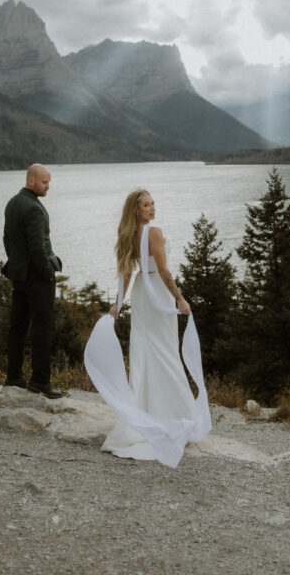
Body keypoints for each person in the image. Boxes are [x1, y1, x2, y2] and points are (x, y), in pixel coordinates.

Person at [86, 188, 210, 465]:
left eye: (153, 203)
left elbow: (127, 272)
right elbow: (164, 271)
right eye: (146, 205)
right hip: (156, 291)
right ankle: (175, 413)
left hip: (143, 293)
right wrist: (180, 298)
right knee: (165, 350)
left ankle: (146, 414)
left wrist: (119, 303)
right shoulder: (153, 232)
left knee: (146, 351)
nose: (152, 208)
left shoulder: (128, 234)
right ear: (136, 209)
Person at [2, 163, 63, 399]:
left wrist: (16, 263)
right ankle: (40, 381)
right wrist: (48, 273)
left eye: (49, 182)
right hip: (38, 278)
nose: (48, 186)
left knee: (17, 328)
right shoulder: (34, 209)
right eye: (45, 182)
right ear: (31, 182)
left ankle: (13, 376)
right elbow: (38, 248)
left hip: (19, 276)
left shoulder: (13, 203)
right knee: (42, 329)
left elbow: (7, 238)